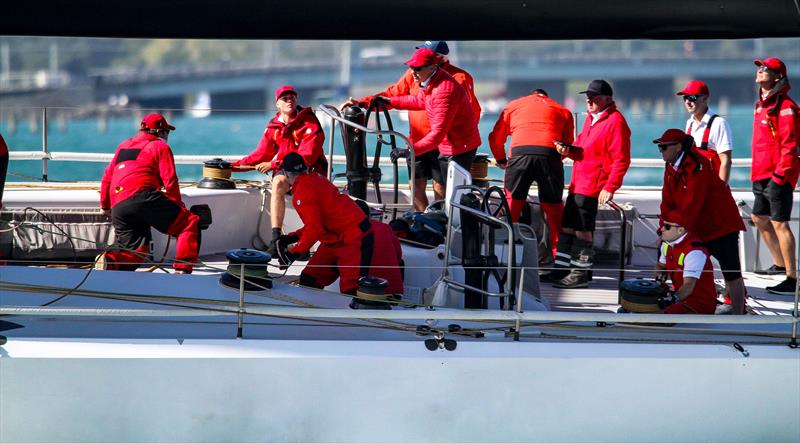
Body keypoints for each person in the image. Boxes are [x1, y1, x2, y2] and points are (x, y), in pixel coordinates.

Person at [343, 41, 481, 211]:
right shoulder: (420, 74)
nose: (413, 71)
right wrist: (366, 103)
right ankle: (424, 222)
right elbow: (407, 98)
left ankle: (442, 225)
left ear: (437, 59)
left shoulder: (456, 80)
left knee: (443, 190)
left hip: (445, 144)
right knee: (415, 186)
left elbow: (471, 113)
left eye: (426, 54)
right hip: (419, 140)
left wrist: (459, 141)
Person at [275, 153, 404, 298]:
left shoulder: (302, 192)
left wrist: (294, 253)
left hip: (353, 240)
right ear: (306, 168)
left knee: (351, 290)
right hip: (334, 240)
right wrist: (291, 238)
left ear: (285, 173)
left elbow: (315, 228)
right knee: (310, 278)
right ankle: (312, 314)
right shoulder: (318, 180)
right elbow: (318, 223)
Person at [654, 129, 747, 314]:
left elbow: (693, 203)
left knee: (731, 272)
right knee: (691, 267)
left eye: (664, 146)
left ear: (678, 147)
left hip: (720, 225)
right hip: (695, 226)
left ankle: (739, 313)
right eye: (660, 147)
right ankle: (690, 301)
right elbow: (667, 201)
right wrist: (663, 229)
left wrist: (672, 230)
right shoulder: (671, 167)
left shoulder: (698, 164)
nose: (661, 151)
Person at [550, 80, 631, 289]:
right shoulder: (591, 119)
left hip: (593, 184)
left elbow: (621, 159)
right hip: (578, 182)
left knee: (582, 228)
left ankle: (580, 273)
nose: (589, 100)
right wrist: (569, 150)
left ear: (607, 99)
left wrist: (610, 186)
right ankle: (562, 269)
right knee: (567, 226)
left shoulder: (616, 122)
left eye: (594, 97)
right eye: (588, 96)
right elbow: (582, 148)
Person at [231, 85, 327, 254]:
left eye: (292, 97)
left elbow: (306, 157)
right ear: (277, 104)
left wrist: (273, 164)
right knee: (278, 182)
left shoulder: (310, 122)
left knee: (302, 187)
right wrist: (231, 168)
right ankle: (276, 240)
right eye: (285, 98)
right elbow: (260, 155)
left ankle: (303, 244)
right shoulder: (273, 127)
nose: (290, 101)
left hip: (309, 170)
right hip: (286, 170)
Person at [99, 113, 200, 273]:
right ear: (160, 132)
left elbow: (107, 178)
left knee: (137, 252)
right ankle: (183, 269)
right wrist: (177, 206)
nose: (167, 136)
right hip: (143, 196)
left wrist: (105, 206)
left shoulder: (123, 146)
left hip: (118, 204)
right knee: (188, 222)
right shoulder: (160, 146)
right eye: (167, 132)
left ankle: (111, 262)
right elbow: (170, 180)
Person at [488, 88, 575, 258]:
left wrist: (501, 160)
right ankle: (560, 259)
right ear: (546, 96)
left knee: (512, 204)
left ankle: (503, 254)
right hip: (549, 156)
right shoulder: (562, 110)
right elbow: (567, 145)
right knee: (554, 208)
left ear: (531, 95)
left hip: (520, 155)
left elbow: (495, 138)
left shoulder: (513, 106)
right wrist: (553, 161)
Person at [751, 57, 800, 294]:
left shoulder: (786, 106)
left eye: (765, 69)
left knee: (780, 223)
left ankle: (793, 279)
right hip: (760, 173)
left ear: (777, 77)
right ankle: (780, 265)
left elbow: (790, 145)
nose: (760, 71)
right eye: (759, 68)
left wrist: (780, 176)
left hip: (777, 175)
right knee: (759, 218)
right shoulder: (761, 104)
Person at [654, 219, 718, 315]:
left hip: (698, 305)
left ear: (680, 230)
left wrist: (672, 299)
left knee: (658, 314)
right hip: (680, 298)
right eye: (663, 225)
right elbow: (661, 266)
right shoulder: (667, 245)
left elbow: (688, 285)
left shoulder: (695, 252)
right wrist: (659, 279)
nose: (661, 229)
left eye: (667, 227)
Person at [677, 80, 734, 183]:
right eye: (685, 98)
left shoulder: (719, 123)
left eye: (692, 98)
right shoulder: (689, 123)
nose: (687, 102)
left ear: (705, 99)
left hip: (711, 188)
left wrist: (720, 189)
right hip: (693, 187)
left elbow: (725, 161)